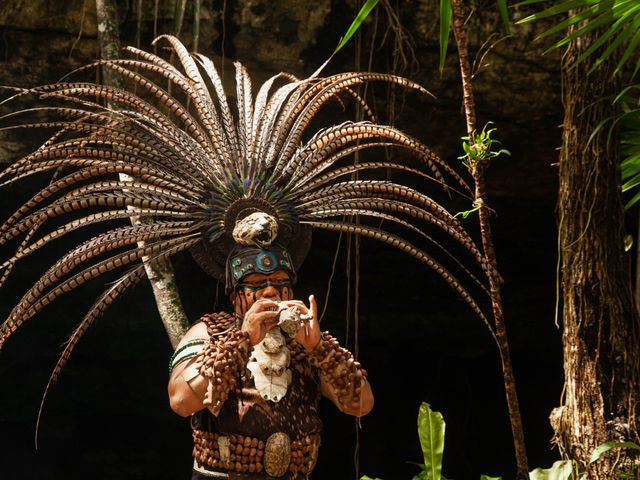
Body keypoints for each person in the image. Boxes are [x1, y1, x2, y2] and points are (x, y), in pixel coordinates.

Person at [168, 246, 374, 479]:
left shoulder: (305, 340)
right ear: (235, 296)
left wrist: (319, 348)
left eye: (279, 282)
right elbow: (180, 402)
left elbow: (361, 404)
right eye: (256, 283)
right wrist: (241, 341)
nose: (270, 291)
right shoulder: (210, 332)